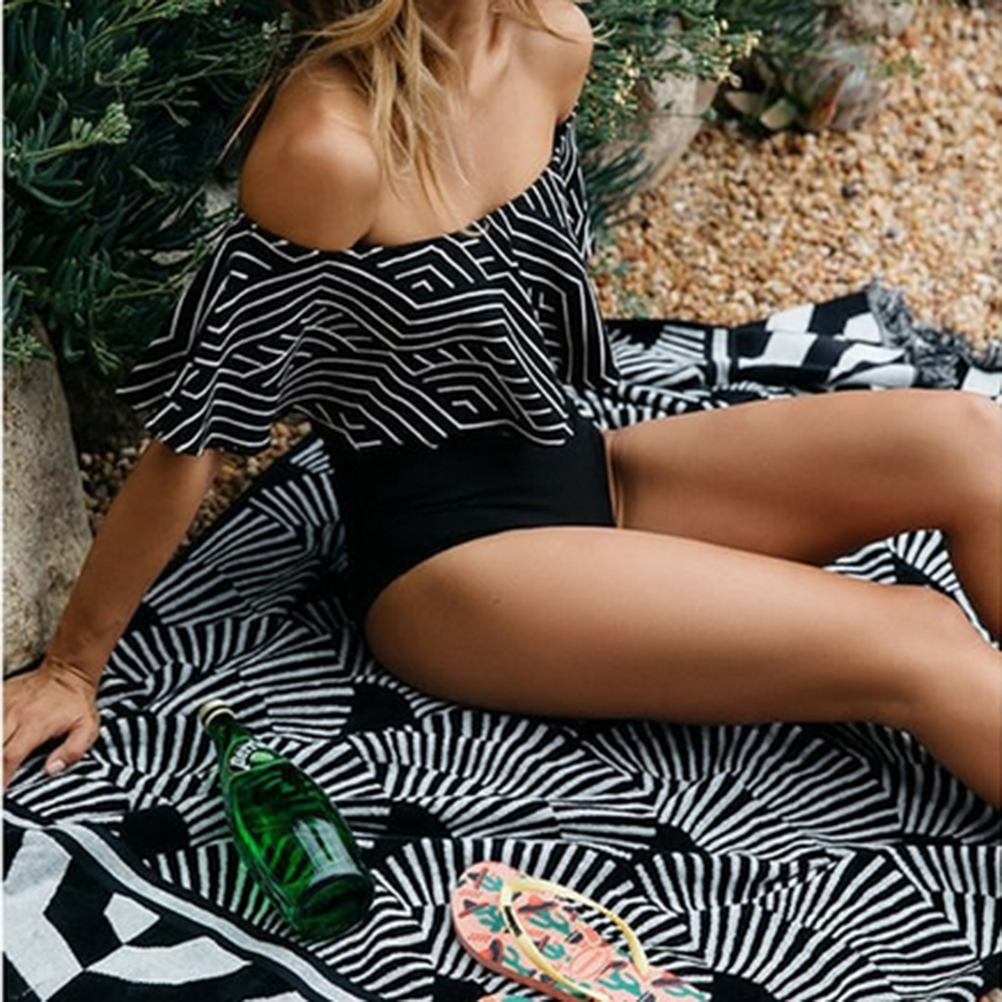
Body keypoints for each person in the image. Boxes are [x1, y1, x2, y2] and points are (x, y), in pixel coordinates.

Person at [3, 0, 1000, 808]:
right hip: (451, 569)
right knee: (911, 634)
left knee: (969, 439)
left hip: (584, 469)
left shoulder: (552, 41)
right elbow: (195, 432)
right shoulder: (331, 148)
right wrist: (74, 669)